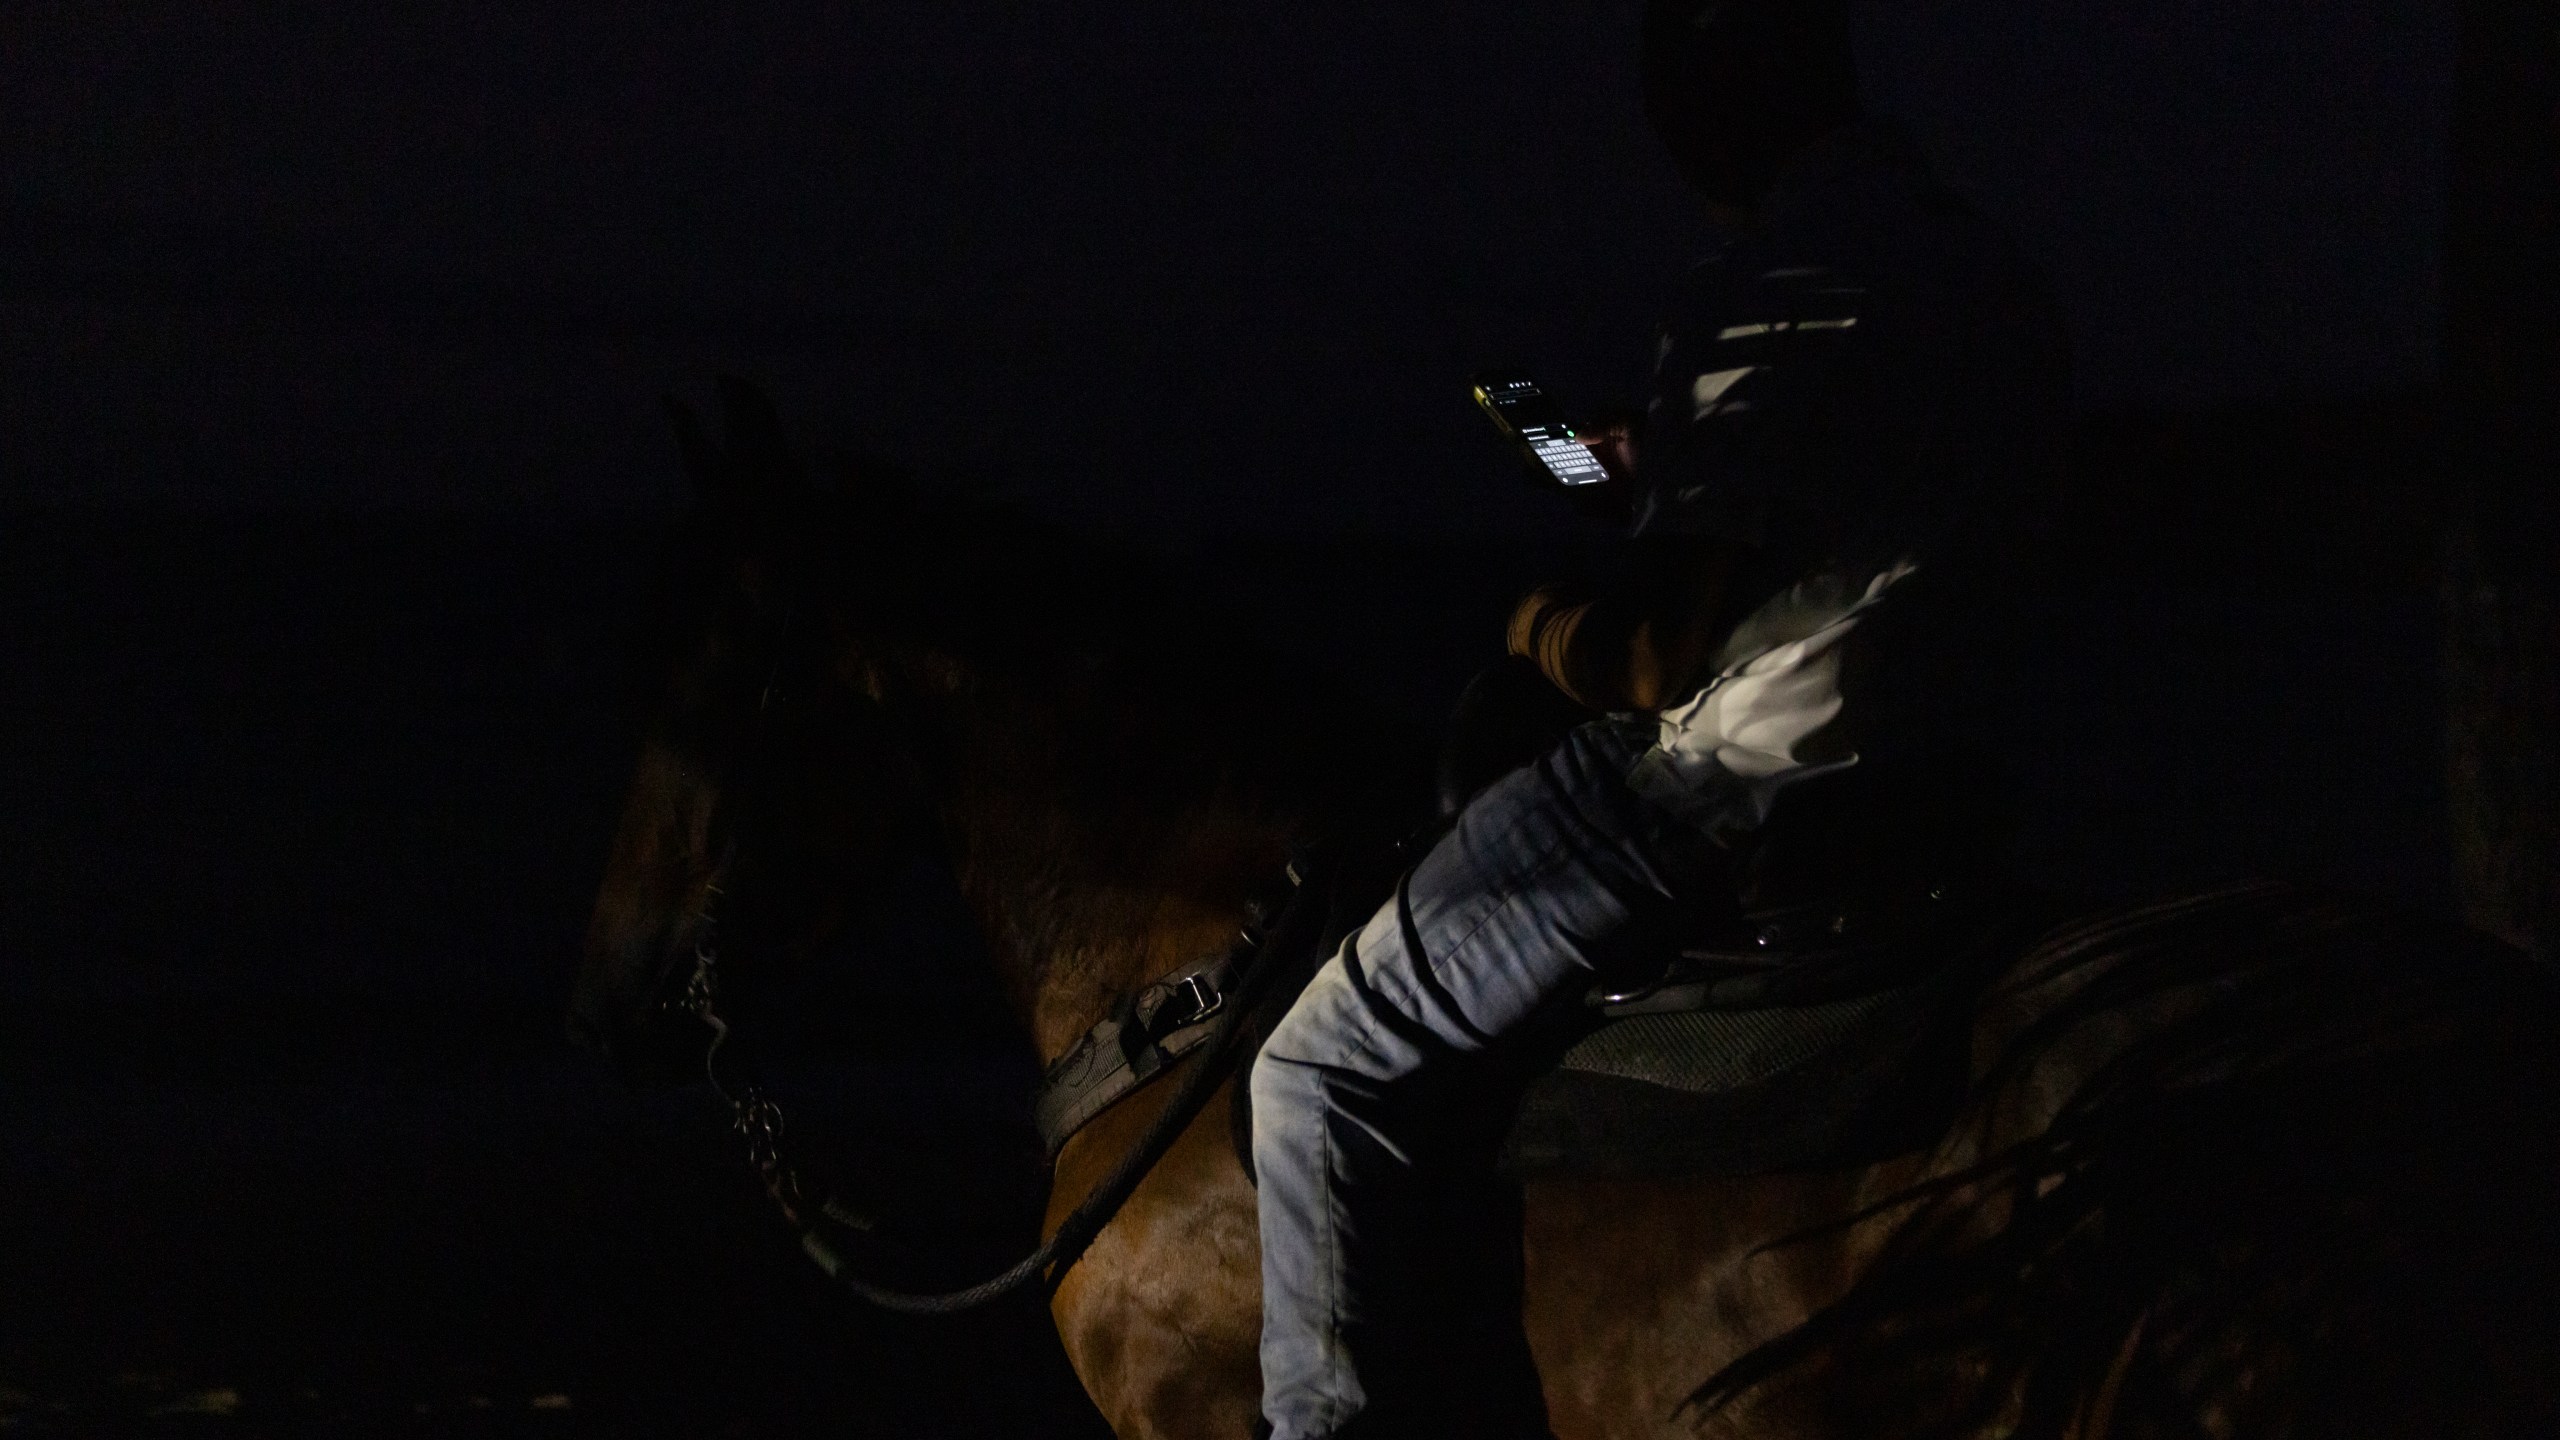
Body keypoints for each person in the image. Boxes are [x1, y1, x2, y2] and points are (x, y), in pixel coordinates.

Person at [1246, 2, 2071, 1437]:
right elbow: (1855, 494)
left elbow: (1650, 655)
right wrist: (1655, 460)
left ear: (1695, 134)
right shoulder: (1990, 270)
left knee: (1316, 1072)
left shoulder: (1763, 283)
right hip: (1946, 763)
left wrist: (1532, 628)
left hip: (1743, 784)